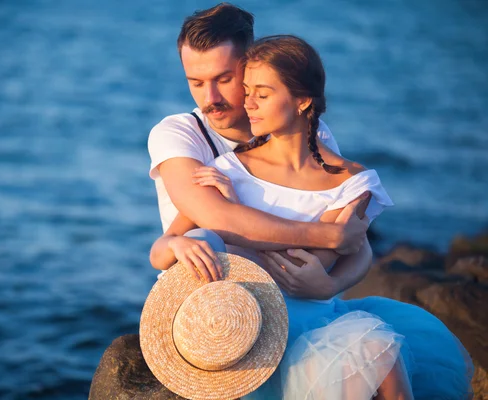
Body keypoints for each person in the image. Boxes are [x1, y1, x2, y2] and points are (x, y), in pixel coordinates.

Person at [155, 34, 475, 399]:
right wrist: (205, 231)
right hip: (251, 326)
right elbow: (164, 249)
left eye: (262, 93)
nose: (249, 105)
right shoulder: (227, 169)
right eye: (247, 91)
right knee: (370, 351)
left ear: (303, 100)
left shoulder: (354, 182)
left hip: (318, 323)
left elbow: (319, 261)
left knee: (379, 350)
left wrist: (234, 228)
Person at [148, 3, 372, 301]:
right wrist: (330, 236)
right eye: (196, 83)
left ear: (250, 66)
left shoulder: (307, 132)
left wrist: (331, 285)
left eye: (224, 79)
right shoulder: (179, 134)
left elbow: (358, 240)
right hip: (205, 304)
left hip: (286, 303)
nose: (210, 98)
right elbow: (216, 218)